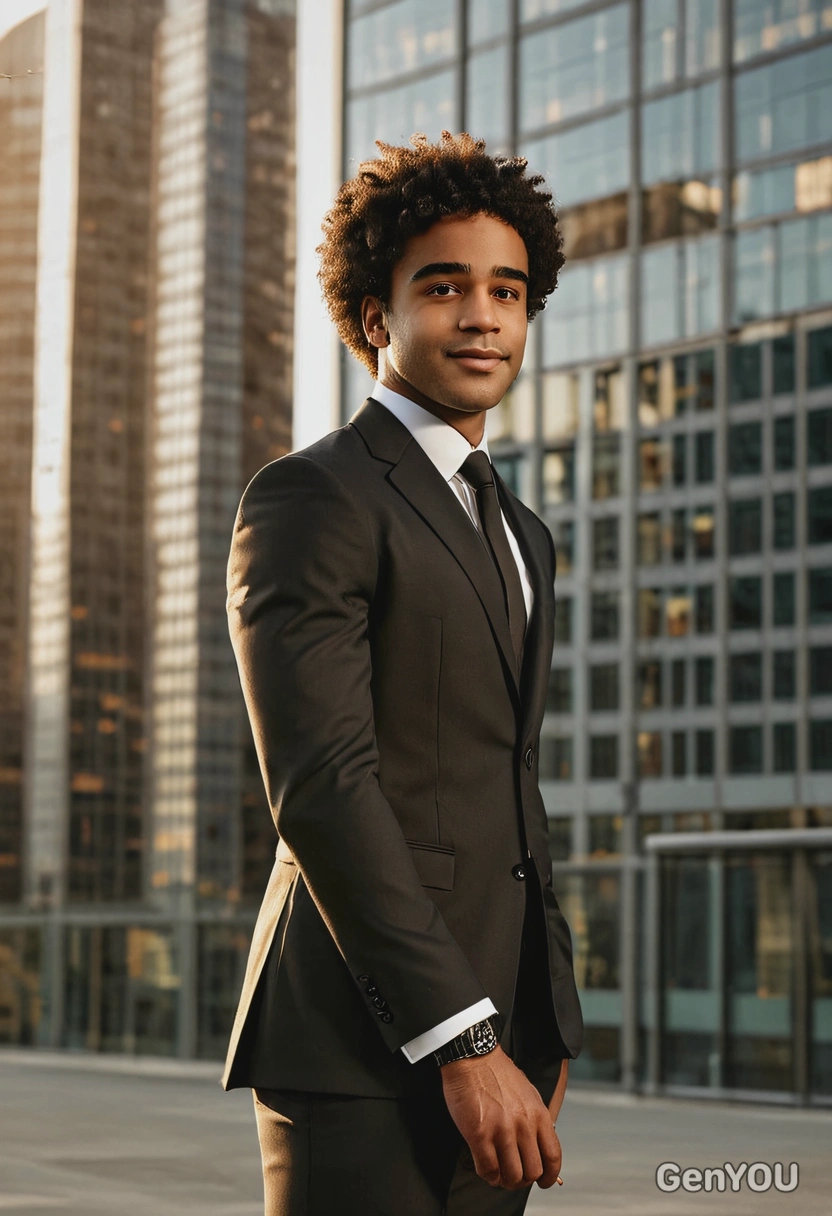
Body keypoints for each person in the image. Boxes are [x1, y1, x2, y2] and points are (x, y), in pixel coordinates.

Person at [222, 131, 583, 1215]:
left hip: (511, 1041)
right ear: (377, 318)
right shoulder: (311, 496)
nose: (483, 315)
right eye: (446, 287)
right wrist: (460, 1036)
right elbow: (323, 787)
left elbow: (506, 779)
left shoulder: (524, 531)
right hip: (363, 1043)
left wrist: (545, 1017)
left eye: (507, 290)